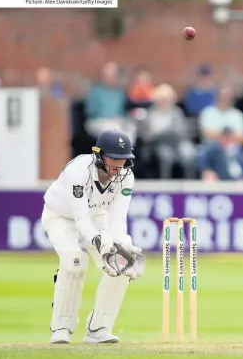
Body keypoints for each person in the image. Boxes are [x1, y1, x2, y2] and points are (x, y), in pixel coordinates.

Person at [42, 129, 145, 344]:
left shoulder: (126, 178)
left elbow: (117, 218)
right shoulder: (78, 170)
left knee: (121, 261)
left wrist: (118, 245)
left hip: (97, 218)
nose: (119, 165)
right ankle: (61, 328)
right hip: (61, 217)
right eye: (114, 159)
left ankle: (98, 329)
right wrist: (100, 244)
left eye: (123, 160)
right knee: (74, 262)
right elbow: (80, 218)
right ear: (99, 155)